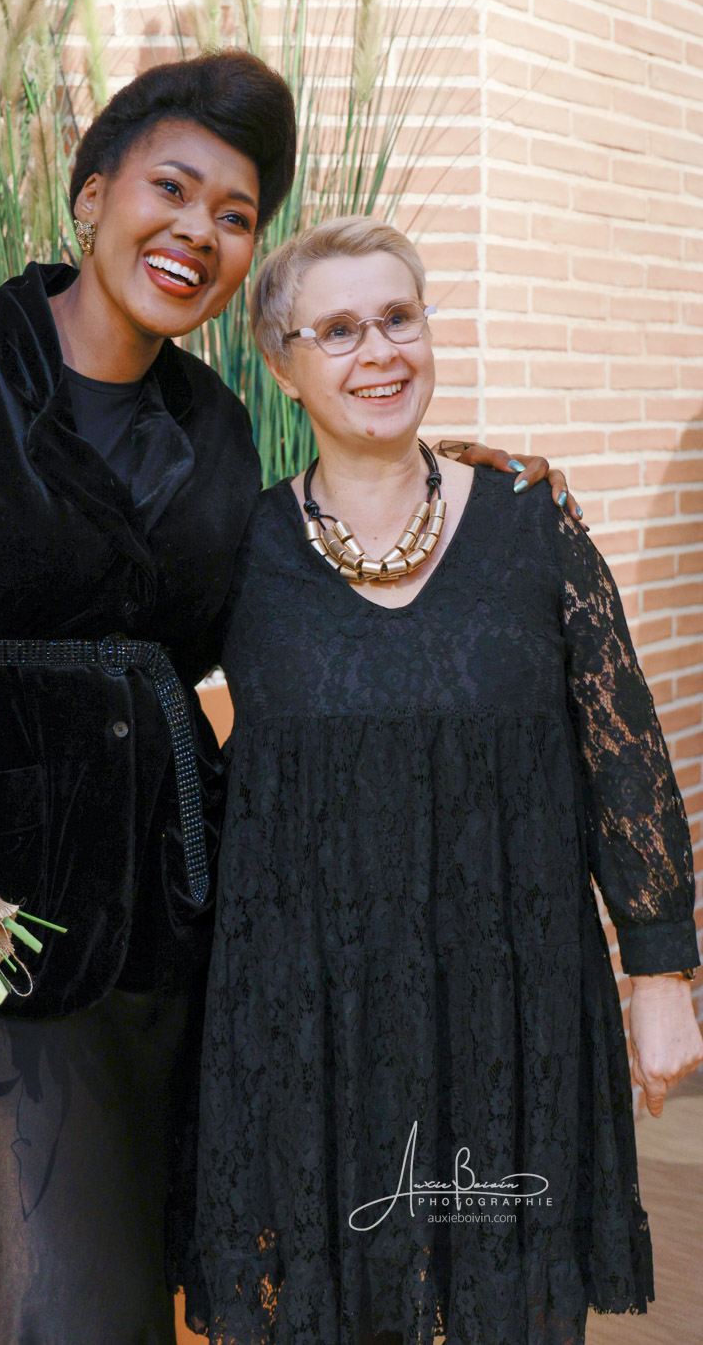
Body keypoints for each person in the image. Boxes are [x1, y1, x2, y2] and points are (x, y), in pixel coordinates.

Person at [0, 53, 571, 1345]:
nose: (198, 231)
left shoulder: (215, 423)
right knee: (60, 1294)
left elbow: (288, 583)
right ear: (92, 194)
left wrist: (433, 486)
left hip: (190, 912)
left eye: (234, 214)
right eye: (171, 187)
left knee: (169, 1271)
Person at [193, 215, 703, 1345]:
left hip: (512, 1007)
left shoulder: (531, 520)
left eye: (398, 317)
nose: (378, 351)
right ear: (281, 366)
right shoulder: (239, 549)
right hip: (314, 1023)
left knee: (511, 1309)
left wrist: (660, 968)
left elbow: (621, 747)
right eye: (337, 330)